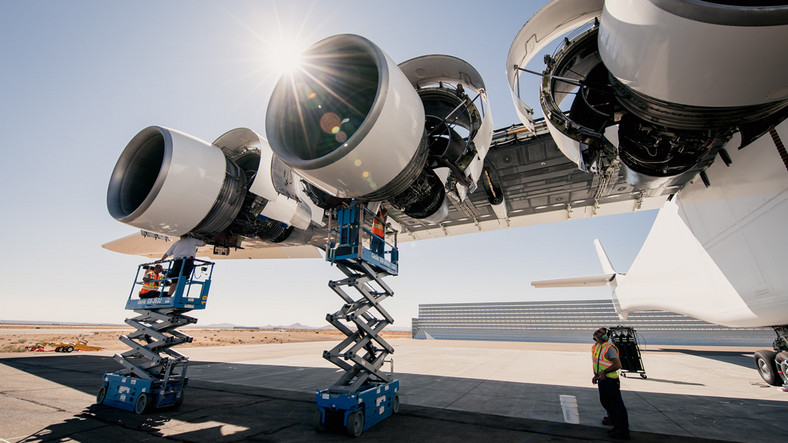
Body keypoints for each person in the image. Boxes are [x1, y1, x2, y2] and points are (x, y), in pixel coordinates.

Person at [592, 327, 630, 440]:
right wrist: (596, 375)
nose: (596, 333)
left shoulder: (609, 348)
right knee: (606, 403)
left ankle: (623, 431)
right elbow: (598, 363)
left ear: (604, 336)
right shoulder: (596, 347)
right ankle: (616, 427)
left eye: (599, 332)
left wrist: (604, 372)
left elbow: (618, 365)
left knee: (617, 406)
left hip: (611, 381)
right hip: (602, 380)